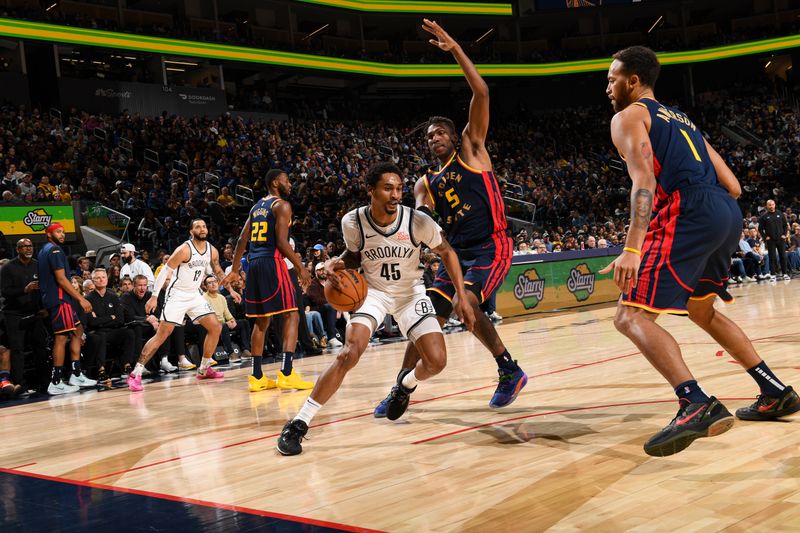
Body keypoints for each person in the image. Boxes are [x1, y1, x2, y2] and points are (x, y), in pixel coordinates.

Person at [600, 45, 799, 457]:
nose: (608, 86)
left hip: (687, 208)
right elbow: (734, 185)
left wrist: (632, 247)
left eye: (612, 78)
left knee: (629, 314)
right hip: (725, 211)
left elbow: (644, 183)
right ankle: (774, 390)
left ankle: (695, 402)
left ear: (633, 81)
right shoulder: (685, 121)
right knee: (701, 310)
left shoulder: (628, 117)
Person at [374, 19, 526, 417]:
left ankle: (509, 370)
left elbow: (482, 90)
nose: (435, 137)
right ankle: (400, 388)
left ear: (455, 134)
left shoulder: (473, 149)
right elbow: (419, 219)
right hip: (456, 253)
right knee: (426, 319)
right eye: (430, 136)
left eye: (441, 131)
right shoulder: (425, 181)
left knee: (469, 303)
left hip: (492, 244)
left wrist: (455, 49)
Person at [277, 162, 475, 455]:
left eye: (399, 188)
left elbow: (447, 252)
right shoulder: (353, 221)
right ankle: (299, 423)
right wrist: (335, 263)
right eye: (388, 188)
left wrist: (461, 295)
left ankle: (404, 386)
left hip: (410, 292)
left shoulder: (417, 222)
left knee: (436, 361)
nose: (396, 195)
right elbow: (356, 257)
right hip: (374, 293)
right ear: (371, 191)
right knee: (348, 353)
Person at [224, 169, 313, 393]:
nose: (290, 184)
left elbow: (242, 240)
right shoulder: (281, 205)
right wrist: (301, 267)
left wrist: (235, 270)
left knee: (262, 321)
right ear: (275, 183)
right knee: (292, 314)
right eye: (287, 180)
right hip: (272, 263)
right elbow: (282, 243)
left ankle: (256, 377)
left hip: (253, 265)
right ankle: (286, 372)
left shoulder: (256, 207)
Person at [126, 219, 237, 391]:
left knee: (216, 327)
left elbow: (218, 271)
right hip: (177, 294)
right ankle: (136, 373)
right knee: (162, 335)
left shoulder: (211, 250)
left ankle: (204, 368)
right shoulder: (184, 249)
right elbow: (165, 272)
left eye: (204, 226)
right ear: (191, 231)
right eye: (198, 227)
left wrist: (231, 290)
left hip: (194, 294)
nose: (202, 229)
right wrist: (154, 296)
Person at [37, 223, 97, 394]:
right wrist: (81, 299)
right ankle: (55, 381)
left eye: (63, 232)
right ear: (49, 234)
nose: (62, 234)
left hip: (58, 299)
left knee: (78, 331)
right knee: (61, 338)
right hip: (60, 299)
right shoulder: (54, 250)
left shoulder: (43, 250)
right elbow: (62, 279)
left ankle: (76, 373)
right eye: (58, 232)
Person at [0, 238, 48, 394]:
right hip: (14, 314)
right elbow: (5, 292)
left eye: (30, 246)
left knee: (40, 348)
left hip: (35, 313)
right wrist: (24, 290)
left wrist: (45, 308)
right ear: (18, 249)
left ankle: (44, 382)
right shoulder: (8, 268)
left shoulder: (38, 265)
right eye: (24, 247)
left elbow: (45, 290)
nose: (28, 249)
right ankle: (19, 384)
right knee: (18, 349)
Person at [85, 268, 135, 382]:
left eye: (103, 277)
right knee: (100, 336)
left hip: (112, 331)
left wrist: (101, 319)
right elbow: (92, 322)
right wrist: (110, 317)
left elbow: (120, 319)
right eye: (98, 278)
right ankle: (101, 370)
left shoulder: (113, 296)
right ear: (93, 281)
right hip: (98, 332)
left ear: (107, 279)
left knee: (129, 333)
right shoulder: (88, 299)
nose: (101, 280)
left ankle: (126, 365)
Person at [758, 199, 791, 280]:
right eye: (769, 205)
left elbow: (785, 226)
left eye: (772, 204)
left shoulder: (780, 213)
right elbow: (760, 229)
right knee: (772, 257)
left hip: (781, 239)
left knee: (783, 256)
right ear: (767, 206)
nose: (771, 206)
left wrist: (784, 234)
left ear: (775, 205)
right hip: (771, 240)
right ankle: (773, 275)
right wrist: (765, 237)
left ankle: (785, 274)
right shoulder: (764, 216)